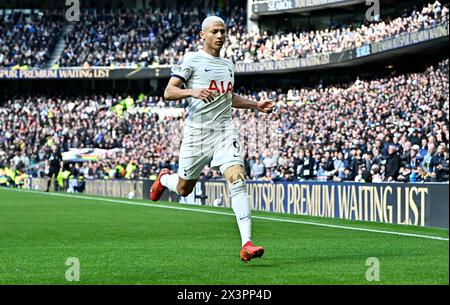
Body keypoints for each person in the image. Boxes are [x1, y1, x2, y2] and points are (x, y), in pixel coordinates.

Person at [149, 16, 275, 263]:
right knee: (185, 189)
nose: (220, 35)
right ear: (202, 35)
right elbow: (169, 91)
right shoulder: (192, 59)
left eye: (223, 31)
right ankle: (164, 177)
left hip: (224, 131)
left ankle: (246, 243)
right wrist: (192, 91)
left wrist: (256, 105)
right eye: (215, 31)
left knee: (237, 178)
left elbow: (228, 97)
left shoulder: (228, 64)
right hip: (197, 134)